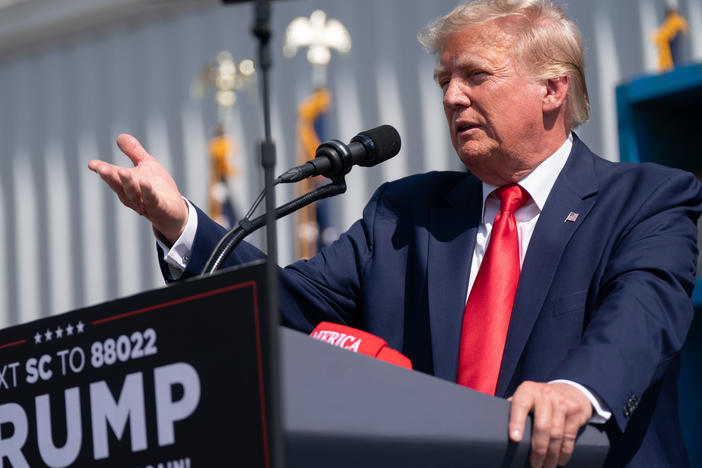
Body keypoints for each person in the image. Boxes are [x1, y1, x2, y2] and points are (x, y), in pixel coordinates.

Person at [88, 0, 702, 467]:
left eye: (476, 76)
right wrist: (180, 224)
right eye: (444, 81)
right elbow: (284, 306)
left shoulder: (647, 199)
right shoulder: (404, 215)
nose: (453, 97)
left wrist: (577, 390)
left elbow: (642, 317)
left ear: (552, 88)